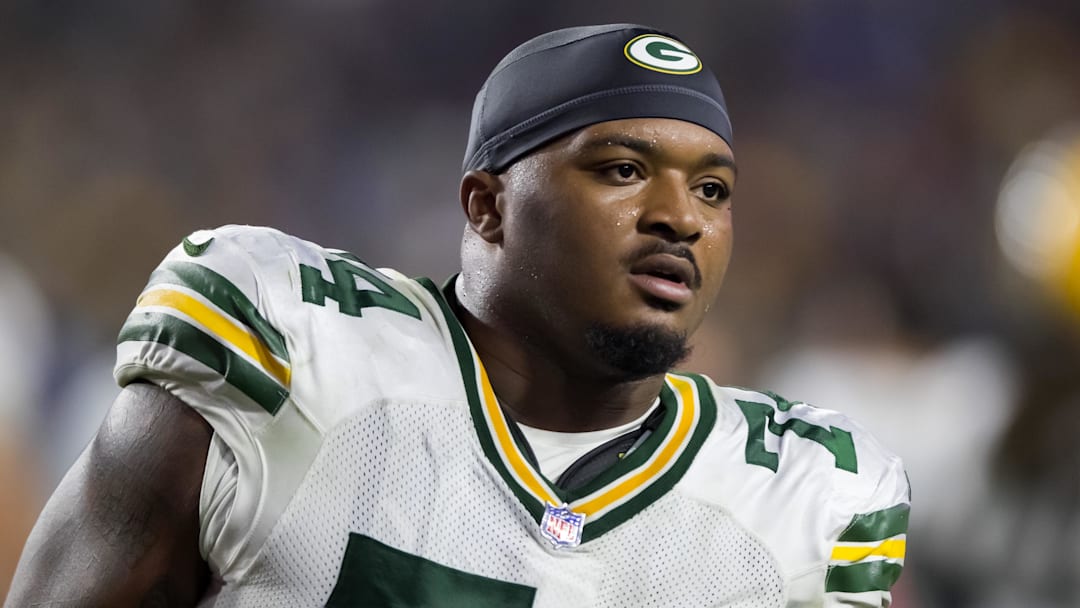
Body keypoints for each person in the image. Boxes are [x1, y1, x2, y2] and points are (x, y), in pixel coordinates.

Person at [6, 24, 909, 607]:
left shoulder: (799, 504)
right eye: (623, 170)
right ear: (487, 207)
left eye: (712, 188)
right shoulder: (290, 350)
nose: (682, 216)